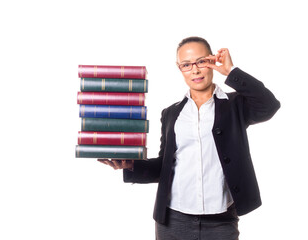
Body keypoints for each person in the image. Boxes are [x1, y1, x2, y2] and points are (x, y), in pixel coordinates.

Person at [98, 36, 280, 240]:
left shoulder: (234, 105)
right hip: (173, 220)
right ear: (179, 68)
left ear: (212, 61)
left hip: (221, 221)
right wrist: (130, 165)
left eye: (201, 61)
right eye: (186, 65)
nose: (195, 70)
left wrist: (230, 71)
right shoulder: (171, 114)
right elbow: (164, 167)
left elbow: (269, 105)